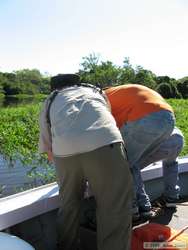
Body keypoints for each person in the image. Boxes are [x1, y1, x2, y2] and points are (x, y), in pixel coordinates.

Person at [38, 74, 133, 250]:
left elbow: (49, 150)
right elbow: (106, 119)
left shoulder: (50, 101)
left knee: (69, 204)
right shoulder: (95, 92)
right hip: (105, 143)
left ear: (53, 88)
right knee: (114, 208)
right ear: (77, 83)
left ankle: (67, 246)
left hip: (64, 154)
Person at [105, 84, 184, 220]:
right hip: (170, 122)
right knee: (139, 162)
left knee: (125, 163)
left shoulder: (100, 99)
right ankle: (163, 200)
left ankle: (133, 209)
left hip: (146, 120)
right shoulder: (121, 93)